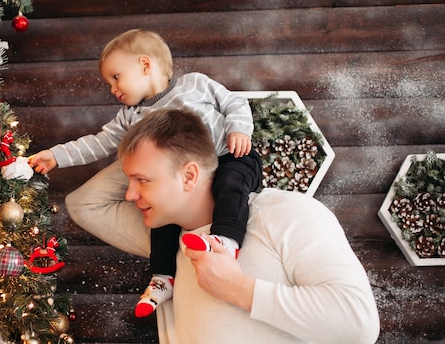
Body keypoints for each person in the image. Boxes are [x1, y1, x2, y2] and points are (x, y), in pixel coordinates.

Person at [28, 29, 262, 317]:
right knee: (161, 217)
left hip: (229, 158)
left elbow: (234, 103)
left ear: (145, 65)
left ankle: (225, 241)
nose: (113, 88)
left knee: (231, 185)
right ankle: (163, 277)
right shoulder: (132, 116)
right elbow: (99, 142)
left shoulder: (195, 85)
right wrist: (56, 156)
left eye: (116, 77)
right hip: (176, 186)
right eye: (109, 82)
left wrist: (240, 129)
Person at [113, 108, 380, 343]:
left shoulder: (283, 213)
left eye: (142, 180)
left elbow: (359, 325)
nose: (129, 195)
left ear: (189, 176)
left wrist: (239, 289)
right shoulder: (166, 251)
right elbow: (83, 205)